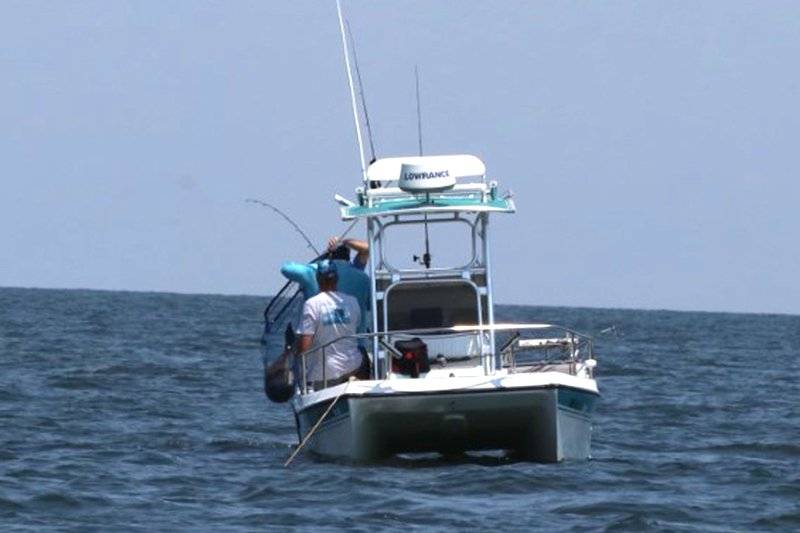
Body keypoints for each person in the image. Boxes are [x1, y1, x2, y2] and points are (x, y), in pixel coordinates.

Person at [296, 260, 369, 388]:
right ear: (337, 279)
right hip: (353, 366)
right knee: (363, 353)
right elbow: (356, 325)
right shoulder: (353, 301)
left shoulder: (311, 304)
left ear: (318, 278)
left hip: (325, 373)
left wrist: (299, 368)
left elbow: (305, 344)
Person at [280, 236, 371, 335]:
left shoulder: (314, 271)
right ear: (348, 256)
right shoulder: (362, 277)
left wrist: (316, 264)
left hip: (318, 344)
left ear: (329, 255)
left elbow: (285, 268)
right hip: (355, 344)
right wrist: (344, 241)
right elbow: (366, 248)